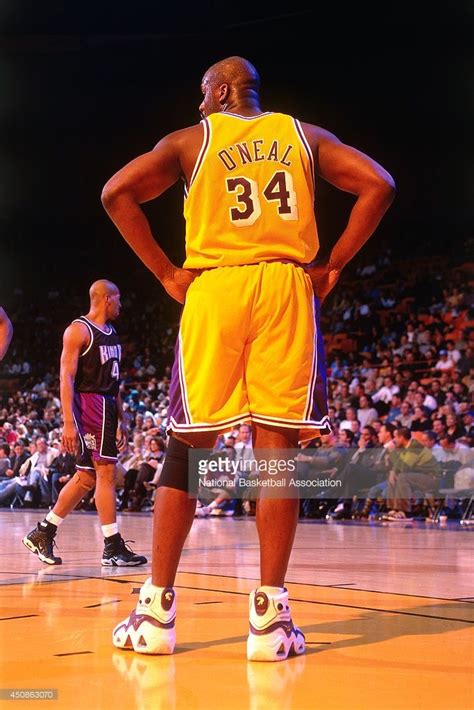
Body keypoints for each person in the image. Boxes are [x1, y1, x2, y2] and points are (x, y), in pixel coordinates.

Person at [102, 56, 395, 660]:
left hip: (216, 287)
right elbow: (379, 184)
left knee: (188, 449)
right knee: (276, 454)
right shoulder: (304, 136)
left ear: (221, 90)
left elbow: (116, 193)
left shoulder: (191, 141)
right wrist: (334, 262)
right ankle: (270, 617)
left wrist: (163, 272)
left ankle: (156, 612)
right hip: (287, 287)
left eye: (203, 94)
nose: (199, 104)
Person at [23, 280, 147, 567]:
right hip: (90, 405)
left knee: (87, 478)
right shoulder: (79, 330)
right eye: (118, 298)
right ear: (105, 298)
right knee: (105, 475)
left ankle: (44, 531)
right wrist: (68, 421)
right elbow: (65, 377)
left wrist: (122, 418)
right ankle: (112, 546)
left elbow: (115, 382)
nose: (121, 304)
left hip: (107, 405)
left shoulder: (113, 333)